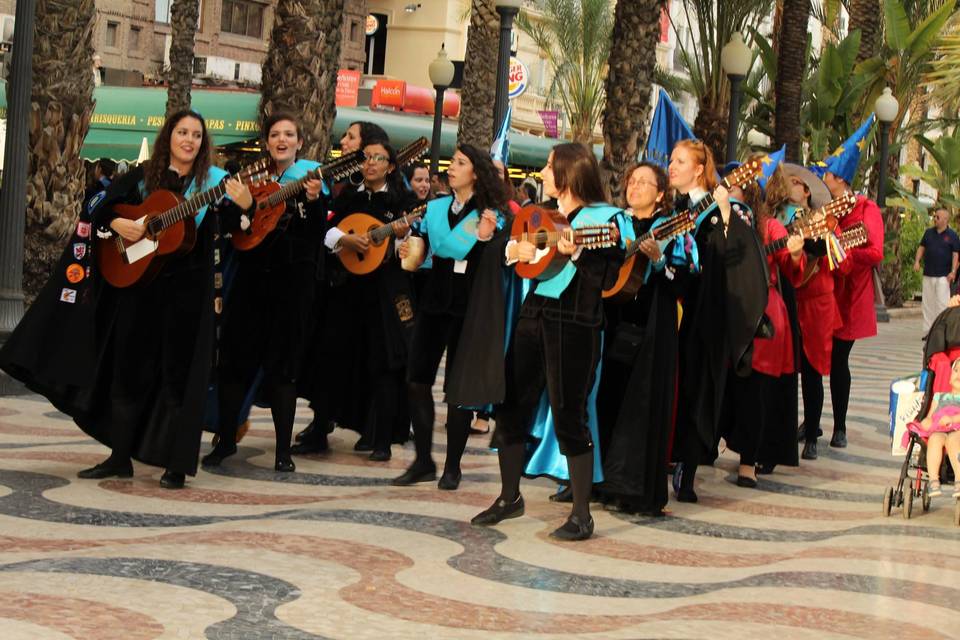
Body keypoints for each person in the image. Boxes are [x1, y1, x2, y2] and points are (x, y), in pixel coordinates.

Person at [0, 110, 246, 489]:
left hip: (186, 298)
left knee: (176, 378)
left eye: (197, 135)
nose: (189, 140)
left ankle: (175, 463)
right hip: (140, 290)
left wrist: (245, 206)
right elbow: (100, 205)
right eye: (183, 132)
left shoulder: (214, 184)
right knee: (126, 371)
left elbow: (235, 228)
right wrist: (116, 222)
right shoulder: (144, 176)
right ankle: (119, 458)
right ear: (170, 136)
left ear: (203, 144)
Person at [471, 143, 625, 541]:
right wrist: (515, 249)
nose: (541, 173)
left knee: (569, 412)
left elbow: (612, 271)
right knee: (510, 404)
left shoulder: (607, 219)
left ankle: (581, 515)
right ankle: (509, 497)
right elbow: (513, 248)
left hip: (575, 321)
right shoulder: (540, 214)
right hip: (534, 313)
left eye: (549, 167)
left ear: (569, 174)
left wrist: (576, 255)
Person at [202, 112, 326, 473]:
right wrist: (245, 209)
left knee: (283, 371)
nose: (282, 140)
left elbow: (315, 236)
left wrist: (316, 202)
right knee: (234, 365)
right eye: (275, 135)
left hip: (291, 290)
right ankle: (225, 442)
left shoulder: (310, 182)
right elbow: (231, 226)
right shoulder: (251, 178)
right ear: (266, 142)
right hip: (251, 285)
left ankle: (283, 452)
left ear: (300, 142)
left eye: (289, 134)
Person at [392, 145, 509, 488]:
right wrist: (407, 249)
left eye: (461, 163)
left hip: (470, 305)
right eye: (452, 162)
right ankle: (424, 460)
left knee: (459, 389)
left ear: (477, 172)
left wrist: (487, 240)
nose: (452, 167)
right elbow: (421, 249)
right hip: (434, 301)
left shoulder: (492, 214)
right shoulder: (435, 207)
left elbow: (500, 261)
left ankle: (452, 467)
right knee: (416, 379)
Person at [669, 140, 768, 503]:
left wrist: (725, 215)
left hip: (702, 313)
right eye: (671, 159)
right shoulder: (667, 207)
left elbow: (741, 261)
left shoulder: (726, 209)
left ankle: (688, 467)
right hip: (665, 309)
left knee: (698, 388)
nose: (671, 166)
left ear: (699, 169)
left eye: (680, 161)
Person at [293, 121, 390, 454]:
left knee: (372, 359)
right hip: (339, 285)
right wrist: (343, 238)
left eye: (351, 136)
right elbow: (329, 226)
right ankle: (321, 423)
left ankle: (371, 428)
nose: (344, 141)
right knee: (328, 356)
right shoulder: (345, 182)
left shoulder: (388, 188)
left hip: (377, 291)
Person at [321, 140, 418, 461]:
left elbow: (413, 243)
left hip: (386, 291)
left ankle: (382, 438)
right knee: (341, 356)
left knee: (385, 362)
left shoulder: (402, 200)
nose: (371, 163)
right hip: (350, 287)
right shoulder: (350, 195)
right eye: (367, 158)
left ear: (391, 166)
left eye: (379, 158)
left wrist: (402, 236)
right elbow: (328, 230)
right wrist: (345, 239)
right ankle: (329, 425)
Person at [597, 161, 680, 516]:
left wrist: (660, 260)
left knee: (638, 407)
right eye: (632, 181)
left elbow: (684, 274)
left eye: (645, 183)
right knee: (606, 400)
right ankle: (600, 482)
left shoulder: (671, 226)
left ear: (660, 194)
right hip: (610, 321)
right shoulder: (615, 222)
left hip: (648, 327)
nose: (635, 187)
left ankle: (633, 489)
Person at [721, 171, 805, 487]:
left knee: (755, 389)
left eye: (734, 189)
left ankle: (748, 463)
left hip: (761, 312)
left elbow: (791, 270)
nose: (727, 193)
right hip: (726, 308)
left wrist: (795, 252)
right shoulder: (719, 220)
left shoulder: (769, 226)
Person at [781, 164, 840, 461]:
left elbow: (835, 256)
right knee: (788, 367)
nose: (788, 186)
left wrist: (811, 239)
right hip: (789, 297)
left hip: (816, 301)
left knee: (813, 370)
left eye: (794, 182)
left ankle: (813, 432)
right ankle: (787, 429)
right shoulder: (779, 218)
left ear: (806, 191)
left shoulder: (823, 219)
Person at [823, 168, 884, 449]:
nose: (823, 178)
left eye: (828, 174)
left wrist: (843, 248)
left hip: (851, 295)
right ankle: (811, 423)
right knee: (814, 361)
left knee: (838, 359)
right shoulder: (823, 206)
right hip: (822, 290)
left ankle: (840, 425)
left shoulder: (866, 208)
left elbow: (875, 252)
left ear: (841, 180)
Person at [914, 206, 959, 334]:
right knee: (927, 303)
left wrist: (953, 271)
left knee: (941, 303)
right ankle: (928, 331)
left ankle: (940, 331)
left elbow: (956, 254)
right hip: (928, 273)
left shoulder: (952, 236)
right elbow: (921, 248)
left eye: (937, 217)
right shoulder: (928, 233)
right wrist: (917, 261)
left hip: (943, 276)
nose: (935, 219)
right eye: (934, 216)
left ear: (945, 219)